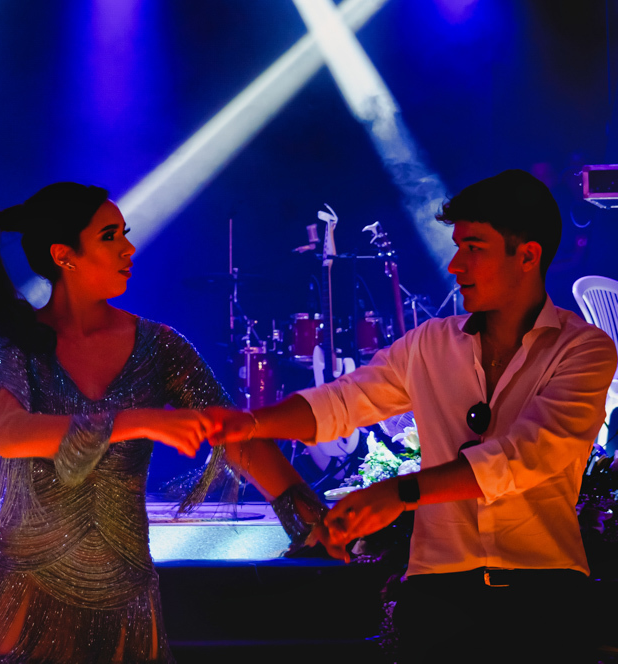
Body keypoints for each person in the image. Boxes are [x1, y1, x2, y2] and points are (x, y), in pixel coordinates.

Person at [208, 170, 618, 663]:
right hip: (438, 601)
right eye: (457, 246)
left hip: (545, 597)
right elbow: (341, 402)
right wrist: (252, 424)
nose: (454, 264)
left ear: (528, 256)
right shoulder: (430, 343)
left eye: (474, 248)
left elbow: (530, 454)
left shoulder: (584, 348)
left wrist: (399, 493)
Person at [0, 183, 325, 664]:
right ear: (63, 254)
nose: (129, 248)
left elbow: (233, 433)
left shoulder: (160, 346)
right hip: (27, 588)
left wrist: (308, 516)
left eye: (125, 233)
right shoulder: (11, 339)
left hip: (124, 593)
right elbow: (11, 434)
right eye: (110, 236)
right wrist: (138, 420)